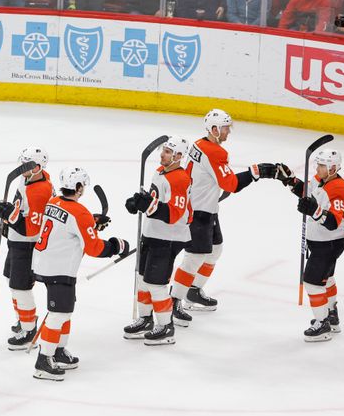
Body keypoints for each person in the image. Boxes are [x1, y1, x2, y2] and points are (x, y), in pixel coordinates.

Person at [170, 110, 286, 326]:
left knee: (215, 249)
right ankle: (174, 301)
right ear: (214, 130)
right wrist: (256, 172)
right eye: (224, 128)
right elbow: (231, 184)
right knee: (195, 257)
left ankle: (193, 290)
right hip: (198, 211)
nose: (227, 132)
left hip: (205, 207)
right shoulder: (215, 152)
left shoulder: (199, 144)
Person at [30, 167, 129, 381]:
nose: (83, 189)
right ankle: (44, 360)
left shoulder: (53, 202)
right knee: (59, 314)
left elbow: (68, 227)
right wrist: (115, 245)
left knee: (65, 311)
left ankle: (57, 350)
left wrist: (91, 223)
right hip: (59, 269)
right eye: (82, 186)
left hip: (44, 263)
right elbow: (93, 248)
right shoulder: (80, 212)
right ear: (78, 187)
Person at [278, 150, 344, 342]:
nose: (317, 168)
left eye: (321, 165)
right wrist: (290, 181)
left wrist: (314, 210)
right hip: (324, 241)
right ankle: (331, 314)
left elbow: (333, 222)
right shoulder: (322, 180)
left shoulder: (337, 189)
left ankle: (323, 324)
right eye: (318, 164)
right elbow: (307, 193)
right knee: (326, 278)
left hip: (328, 243)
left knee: (312, 281)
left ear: (333, 168)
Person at [123, 137, 192, 346]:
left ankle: (165, 327)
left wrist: (147, 205)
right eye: (163, 150)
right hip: (152, 233)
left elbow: (174, 214)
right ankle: (145, 320)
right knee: (143, 279)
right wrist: (139, 201)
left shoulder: (180, 178)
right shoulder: (161, 171)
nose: (162, 154)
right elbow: (154, 200)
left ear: (179, 156)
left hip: (169, 238)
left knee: (157, 283)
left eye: (168, 152)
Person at [0, 147, 53, 350]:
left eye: (25, 165)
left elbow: (30, 229)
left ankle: (28, 331)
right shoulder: (29, 178)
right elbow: (22, 210)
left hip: (27, 246)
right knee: (13, 283)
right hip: (16, 241)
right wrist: (8, 216)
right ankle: (24, 320)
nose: (21, 167)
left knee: (21, 287)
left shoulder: (40, 190)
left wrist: (10, 216)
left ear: (37, 167)